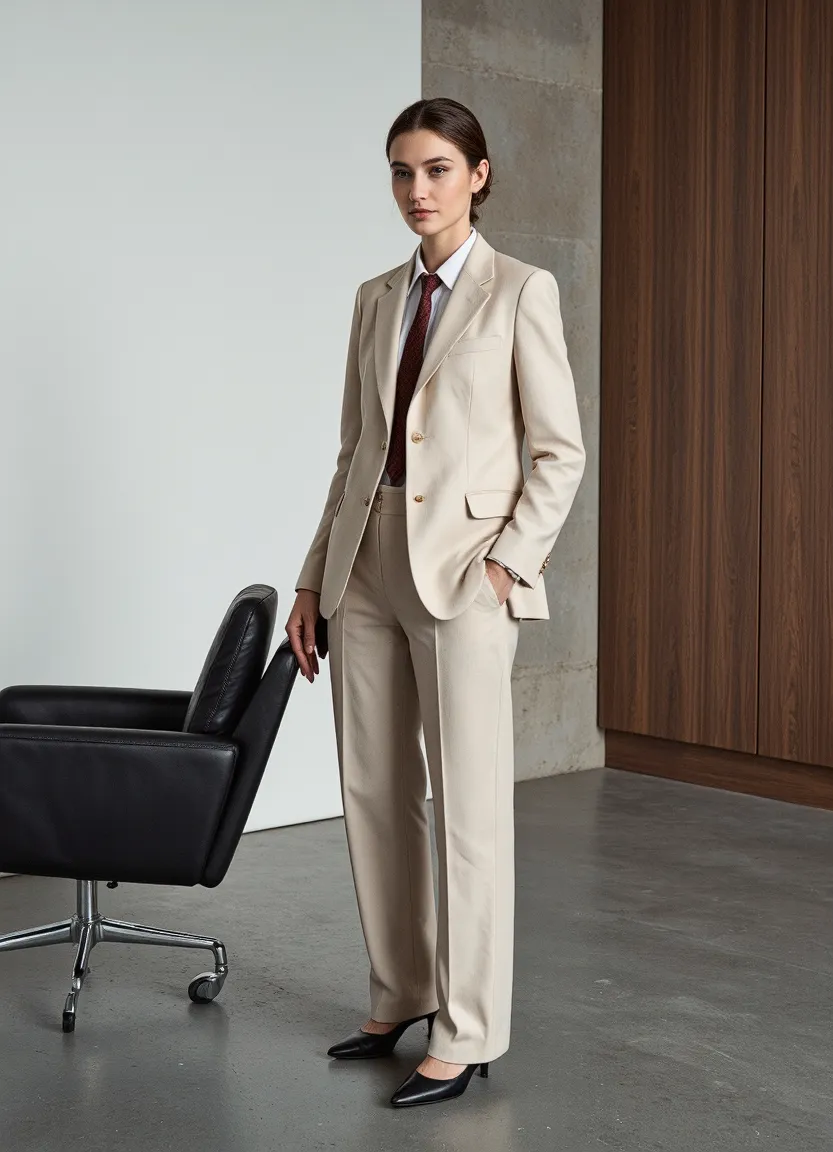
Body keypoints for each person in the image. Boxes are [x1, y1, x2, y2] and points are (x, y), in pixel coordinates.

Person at [286, 97, 586, 1108]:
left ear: (478, 175)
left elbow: (559, 451)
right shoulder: (376, 297)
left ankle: (466, 1030)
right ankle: (399, 993)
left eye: (437, 170)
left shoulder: (520, 290)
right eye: (402, 172)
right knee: (374, 792)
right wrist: (312, 578)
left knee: (466, 808)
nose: (417, 190)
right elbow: (352, 454)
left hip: (463, 575)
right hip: (364, 564)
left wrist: (508, 566)